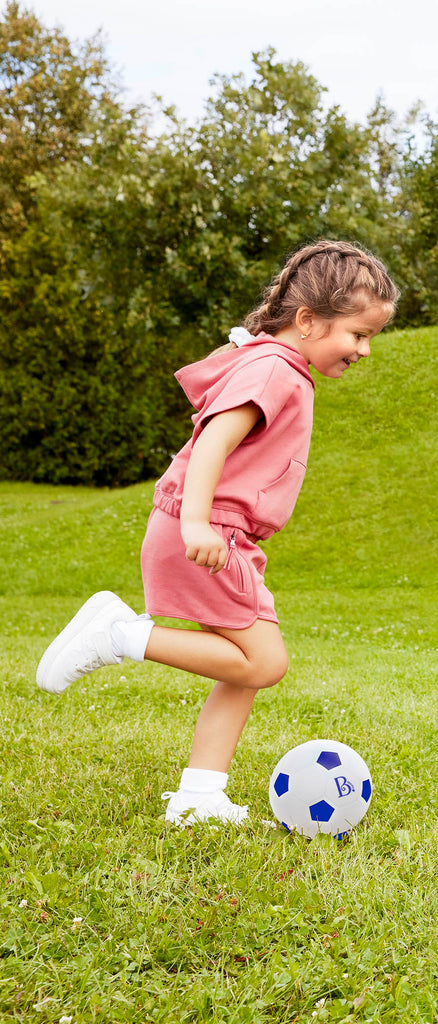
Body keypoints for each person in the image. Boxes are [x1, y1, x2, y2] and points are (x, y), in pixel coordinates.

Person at [36, 240, 399, 826]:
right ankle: (119, 637)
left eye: (370, 338)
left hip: (221, 535)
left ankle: (200, 795)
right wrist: (198, 522)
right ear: (307, 320)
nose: (363, 349)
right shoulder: (276, 370)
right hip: (210, 536)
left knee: (242, 664)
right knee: (263, 662)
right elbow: (212, 442)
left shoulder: (274, 363)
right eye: (357, 334)